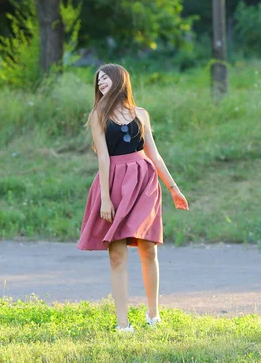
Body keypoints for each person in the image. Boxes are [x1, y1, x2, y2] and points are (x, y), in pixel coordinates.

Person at [77, 63, 189, 333]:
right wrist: (105, 198)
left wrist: (173, 188)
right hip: (114, 183)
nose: (101, 84)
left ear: (119, 81)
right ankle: (122, 324)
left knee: (148, 249)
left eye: (106, 79)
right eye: (98, 81)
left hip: (144, 183)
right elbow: (103, 157)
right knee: (117, 256)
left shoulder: (141, 114)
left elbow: (154, 154)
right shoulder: (98, 115)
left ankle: (153, 315)